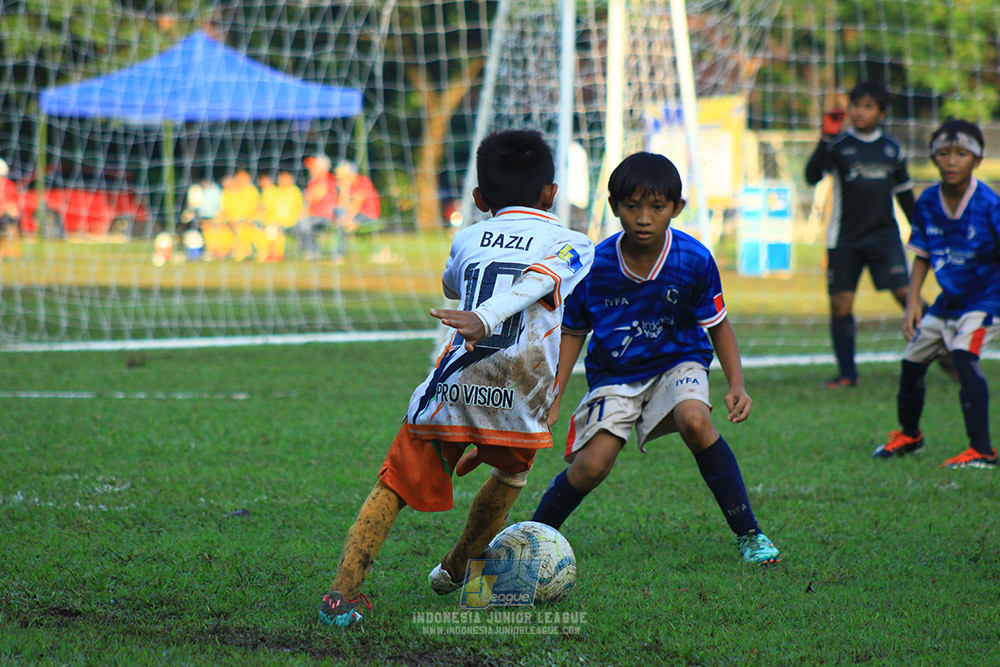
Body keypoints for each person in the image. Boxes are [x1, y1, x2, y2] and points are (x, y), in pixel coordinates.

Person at [317, 129, 595, 627]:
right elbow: (544, 278)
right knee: (511, 475)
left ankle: (342, 593)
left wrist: (482, 314)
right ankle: (461, 565)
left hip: (454, 383)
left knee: (394, 483)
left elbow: (452, 281)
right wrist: (493, 316)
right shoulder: (574, 242)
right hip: (519, 389)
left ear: (479, 198)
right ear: (551, 193)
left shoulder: (466, 237)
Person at [530, 151, 781, 565]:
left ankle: (750, 533)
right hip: (615, 374)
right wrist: (554, 394)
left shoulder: (694, 259)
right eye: (632, 207)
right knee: (592, 466)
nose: (643, 218)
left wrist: (737, 384)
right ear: (614, 207)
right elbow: (573, 332)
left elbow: (718, 324)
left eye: (657, 207)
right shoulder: (595, 264)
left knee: (696, 421)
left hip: (678, 363)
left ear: (676, 209)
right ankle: (533, 537)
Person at [871, 119, 1000, 469]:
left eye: (961, 153)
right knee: (912, 362)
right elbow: (922, 255)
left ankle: (982, 450)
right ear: (932, 158)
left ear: (977, 158)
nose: (952, 161)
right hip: (948, 303)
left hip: (985, 300)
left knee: (963, 357)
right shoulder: (928, 200)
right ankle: (910, 435)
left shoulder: (989, 204)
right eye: (944, 153)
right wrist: (913, 302)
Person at [805, 81, 921, 388]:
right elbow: (811, 176)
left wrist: (924, 232)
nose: (859, 111)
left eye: (868, 106)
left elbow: (906, 195)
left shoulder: (891, 148)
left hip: (884, 237)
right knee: (840, 304)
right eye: (855, 105)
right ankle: (847, 374)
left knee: (906, 295)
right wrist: (825, 139)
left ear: (881, 113)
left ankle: (949, 353)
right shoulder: (839, 145)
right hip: (844, 239)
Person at [293, 154, 338, 260]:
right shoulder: (313, 181)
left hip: (325, 217)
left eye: (313, 167)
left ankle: (312, 252)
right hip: (313, 215)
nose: (310, 169)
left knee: (304, 225)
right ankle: (309, 251)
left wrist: (308, 201)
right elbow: (309, 200)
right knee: (298, 226)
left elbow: (314, 198)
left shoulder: (326, 179)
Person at [256, 171, 303, 262]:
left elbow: (300, 210)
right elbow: (266, 209)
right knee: (265, 230)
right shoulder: (273, 192)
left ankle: (276, 254)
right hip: (273, 222)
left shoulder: (295, 191)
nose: (283, 181)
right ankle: (267, 254)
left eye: (286, 178)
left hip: (290, 222)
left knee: (273, 230)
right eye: (281, 178)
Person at [0, 158, 21, 260]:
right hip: (7, 216)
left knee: (9, 228)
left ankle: (7, 253)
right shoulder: (9, 184)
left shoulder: (7, 184)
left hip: (6, 216)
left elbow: (12, 205)